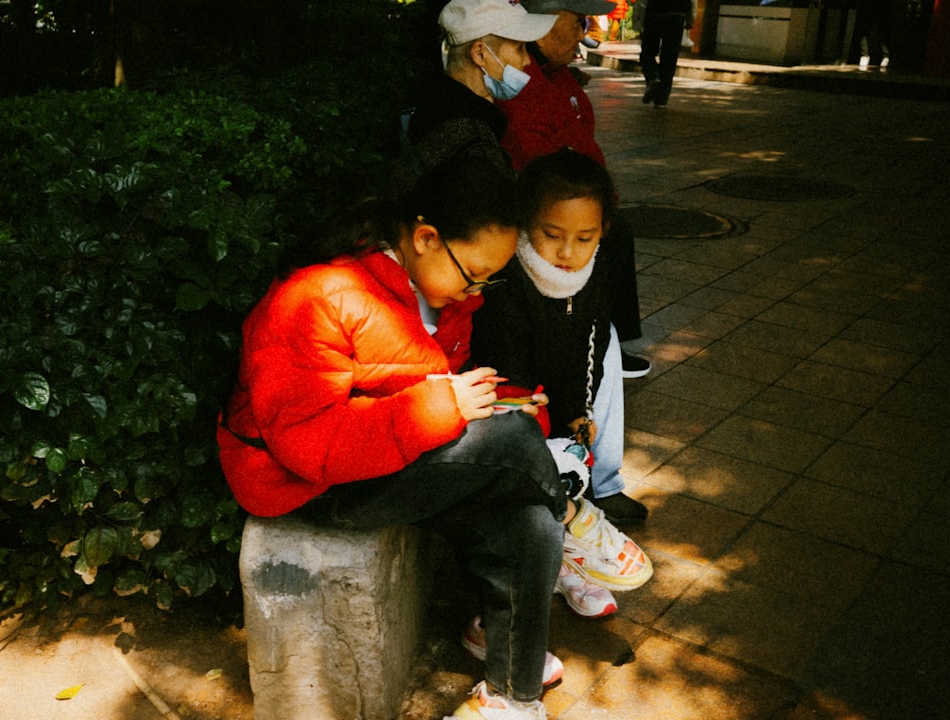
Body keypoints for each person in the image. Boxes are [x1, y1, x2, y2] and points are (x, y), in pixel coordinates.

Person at [218, 155, 639, 720]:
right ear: (425, 239)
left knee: (527, 517)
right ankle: (576, 523)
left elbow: (442, 387)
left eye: (489, 279)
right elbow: (304, 442)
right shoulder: (321, 296)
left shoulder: (444, 292)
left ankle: (512, 697)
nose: (476, 293)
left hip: (388, 460)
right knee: (513, 443)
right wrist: (443, 407)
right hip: (308, 483)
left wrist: (498, 400)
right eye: (473, 276)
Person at [472, 149, 655, 620]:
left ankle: (568, 561)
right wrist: (534, 420)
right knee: (534, 476)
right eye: (552, 235)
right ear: (526, 222)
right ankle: (550, 565)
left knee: (574, 464)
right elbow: (503, 365)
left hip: (558, 397)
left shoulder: (594, 273)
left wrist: (580, 409)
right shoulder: (507, 279)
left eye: (584, 237)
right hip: (515, 402)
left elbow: (589, 347)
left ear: (603, 233)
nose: (568, 252)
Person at [495, 0, 650, 382]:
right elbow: (533, 155)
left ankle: (609, 342)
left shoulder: (558, 72)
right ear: (545, 23)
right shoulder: (523, 77)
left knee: (611, 233)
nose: (583, 32)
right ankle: (597, 344)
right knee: (602, 239)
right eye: (578, 22)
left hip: (580, 191)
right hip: (553, 197)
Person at [390, 0, 557, 199]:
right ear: (480, 54)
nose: (527, 60)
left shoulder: (438, 101)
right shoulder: (473, 138)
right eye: (519, 48)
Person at [638, 0, 693, 107]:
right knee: (670, 56)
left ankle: (652, 77)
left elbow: (642, 2)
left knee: (647, 52)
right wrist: (690, 16)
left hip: (654, 13)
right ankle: (661, 99)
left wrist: (639, 20)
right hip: (678, 14)